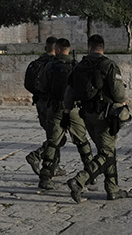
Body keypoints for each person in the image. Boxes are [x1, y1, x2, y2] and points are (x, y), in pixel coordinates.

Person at [66, 34, 130, 202]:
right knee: (106, 154)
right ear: (103, 47)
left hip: (86, 115)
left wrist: (66, 112)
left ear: (89, 47)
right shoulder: (108, 65)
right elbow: (119, 94)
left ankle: (112, 188)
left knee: (106, 150)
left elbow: (69, 94)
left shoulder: (79, 66)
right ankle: (78, 181)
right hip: (105, 116)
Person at [36, 38, 77, 189]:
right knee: (82, 142)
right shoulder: (75, 65)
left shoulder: (47, 65)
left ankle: (46, 176)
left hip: (51, 107)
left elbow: (41, 86)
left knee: (54, 139)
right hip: (72, 109)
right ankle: (88, 176)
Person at [25, 36, 63, 176]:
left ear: (46, 48)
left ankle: (54, 165)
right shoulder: (55, 64)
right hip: (51, 104)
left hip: (39, 103)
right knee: (57, 136)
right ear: (57, 49)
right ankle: (37, 156)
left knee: (52, 134)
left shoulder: (37, 62)